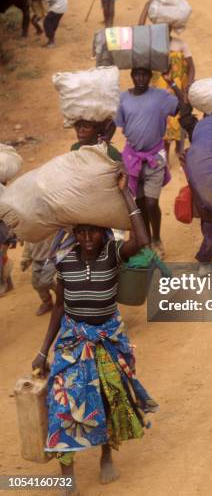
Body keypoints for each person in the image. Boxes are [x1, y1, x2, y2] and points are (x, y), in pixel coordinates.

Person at [32, 175, 155, 491]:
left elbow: (142, 240)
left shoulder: (113, 254)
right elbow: (59, 307)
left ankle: (105, 456)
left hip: (107, 340)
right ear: (74, 235)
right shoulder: (65, 261)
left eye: (93, 231)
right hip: (73, 342)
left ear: (103, 233)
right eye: (81, 232)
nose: (87, 237)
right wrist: (44, 350)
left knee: (106, 401)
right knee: (63, 406)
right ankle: (67, 474)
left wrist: (126, 193)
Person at [116, 67, 179, 257]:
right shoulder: (123, 99)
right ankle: (145, 240)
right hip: (132, 158)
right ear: (132, 76)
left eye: (144, 74)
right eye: (137, 74)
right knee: (140, 203)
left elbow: (184, 107)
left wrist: (173, 84)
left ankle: (157, 239)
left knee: (152, 203)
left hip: (155, 157)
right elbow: (117, 124)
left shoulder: (160, 96)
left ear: (150, 77)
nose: (140, 78)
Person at [165, 79, 212, 276]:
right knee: (208, 220)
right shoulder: (197, 128)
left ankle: (206, 257)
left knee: (210, 221)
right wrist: (176, 88)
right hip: (202, 181)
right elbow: (184, 115)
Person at [139, 0, 195, 162]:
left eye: (168, 28)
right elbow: (139, 31)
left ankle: (179, 149)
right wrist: (146, 6)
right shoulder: (152, 45)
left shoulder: (180, 44)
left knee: (179, 120)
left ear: (172, 28)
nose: (164, 31)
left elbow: (192, 67)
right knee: (162, 122)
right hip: (159, 89)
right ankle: (166, 156)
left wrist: (188, 87)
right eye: (161, 28)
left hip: (178, 89)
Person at [20, 238, 56, 316]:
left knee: (45, 281)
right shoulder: (30, 233)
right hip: (36, 260)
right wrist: (25, 260)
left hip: (51, 259)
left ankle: (61, 294)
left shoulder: (50, 228)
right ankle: (47, 302)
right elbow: (27, 247)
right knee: (36, 283)